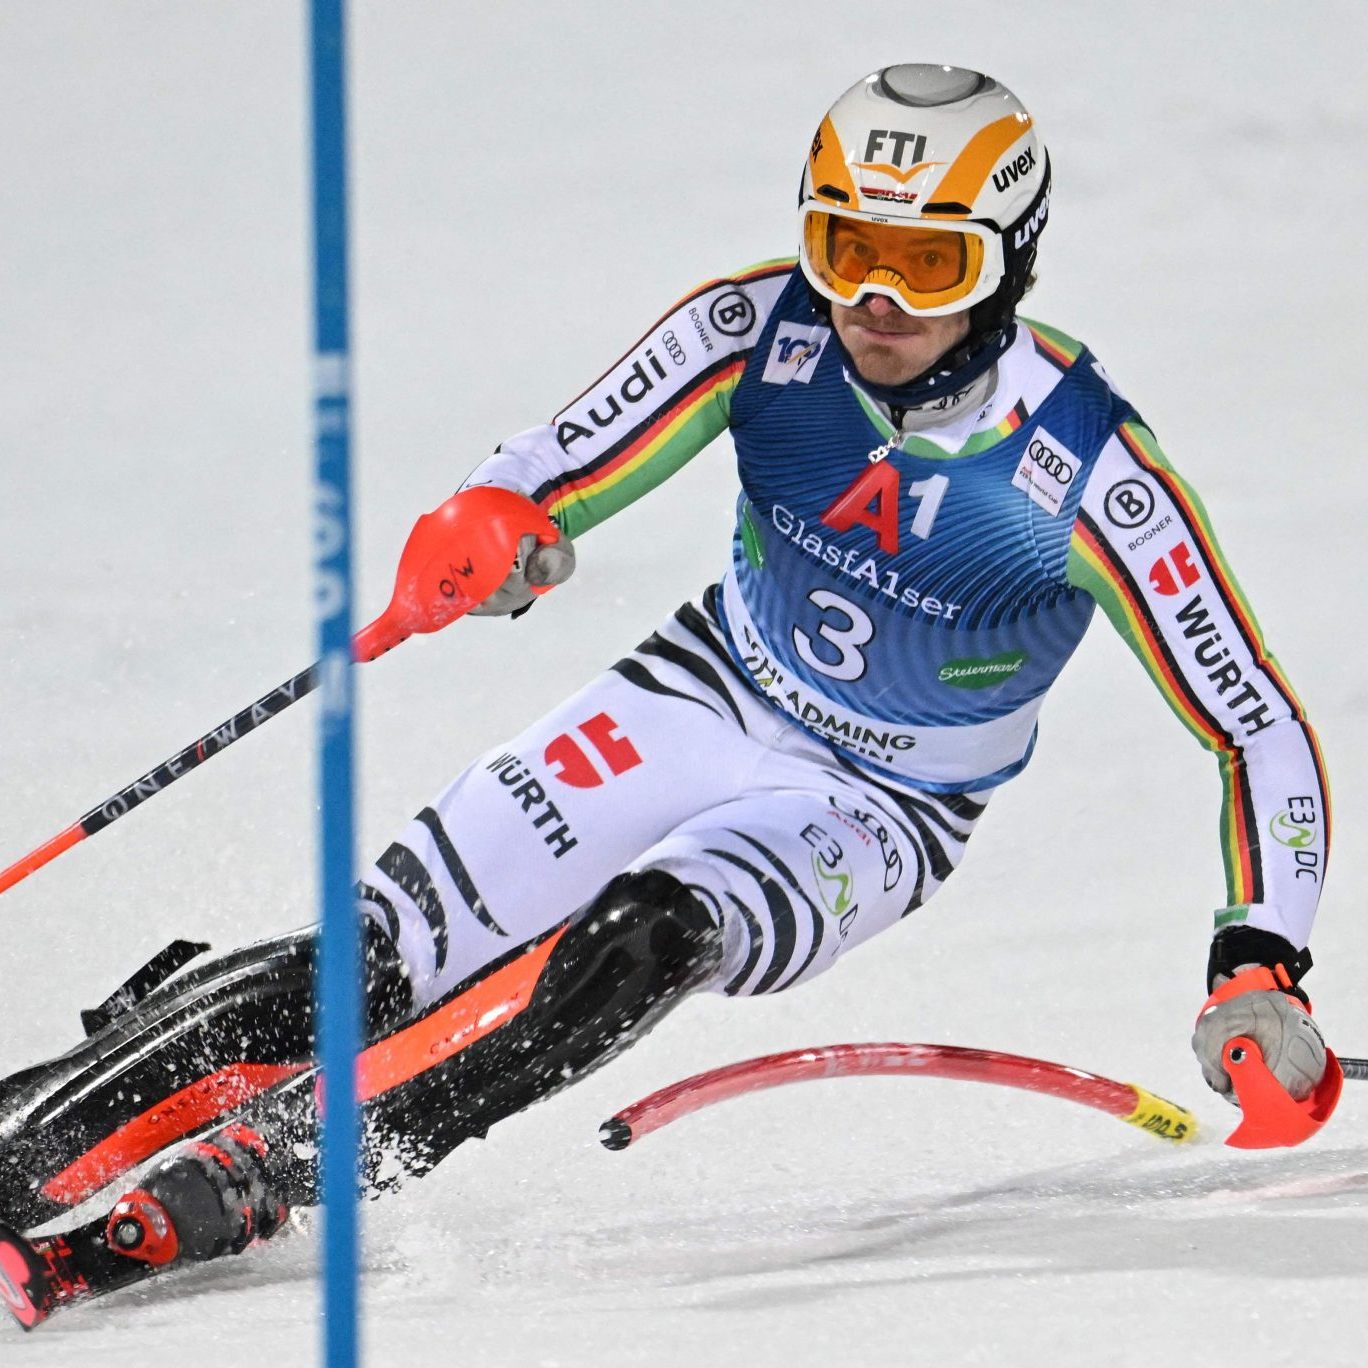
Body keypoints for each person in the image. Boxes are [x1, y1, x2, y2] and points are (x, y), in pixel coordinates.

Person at [0, 63, 1338, 1327]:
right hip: (704, 692)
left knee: (644, 934)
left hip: (882, 805)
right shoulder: (757, 331)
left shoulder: (1091, 473)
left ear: (1008, 265)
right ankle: (33, 1150)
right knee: (372, 952)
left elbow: (1254, 725)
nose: (873, 298)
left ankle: (275, 1169)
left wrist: (1259, 963)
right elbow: (555, 465)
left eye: (927, 263)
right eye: (842, 245)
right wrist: (492, 530)